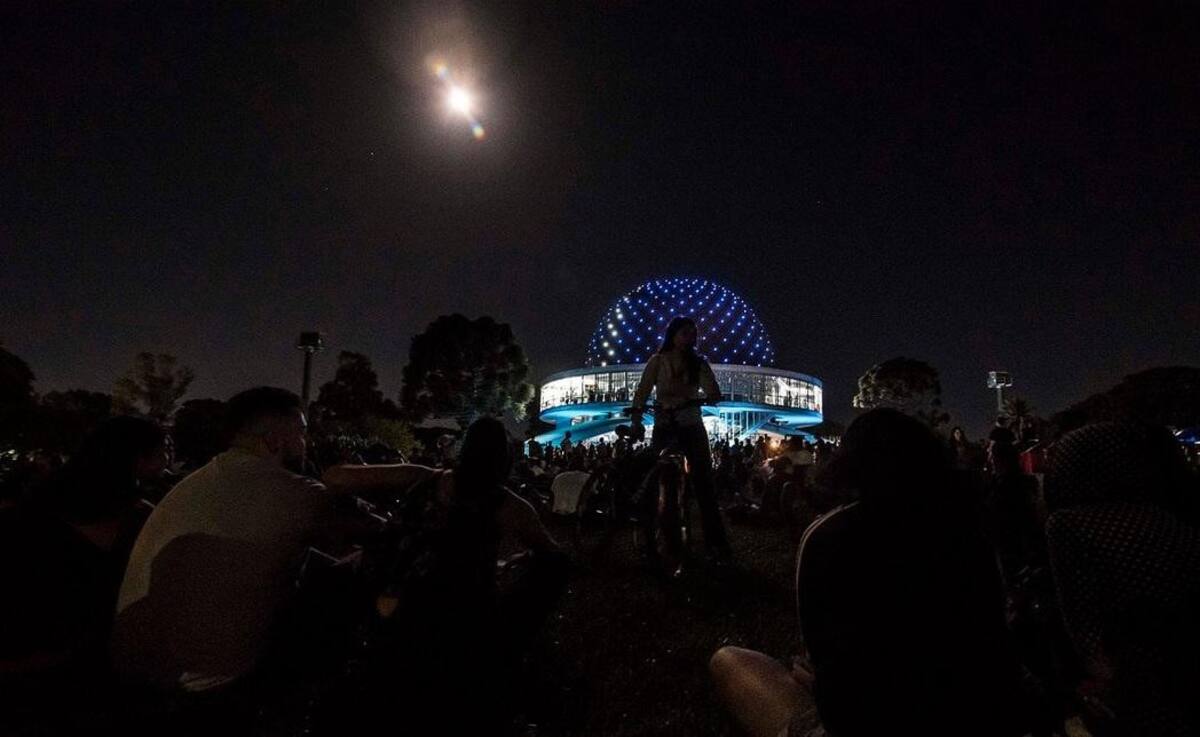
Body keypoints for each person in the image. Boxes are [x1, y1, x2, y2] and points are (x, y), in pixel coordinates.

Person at [711, 409, 1030, 737]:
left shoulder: (830, 536)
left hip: (872, 719)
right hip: (982, 714)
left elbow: (843, 699)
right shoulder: (970, 529)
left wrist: (818, 681)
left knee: (730, 661)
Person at [320, 417, 568, 733]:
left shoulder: (422, 478)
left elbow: (334, 478)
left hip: (392, 598)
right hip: (460, 615)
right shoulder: (511, 507)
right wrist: (522, 559)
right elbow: (555, 555)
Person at [112, 387, 338, 696]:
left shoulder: (205, 480)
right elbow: (366, 527)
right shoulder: (293, 490)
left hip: (133, 663)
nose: (306, 444)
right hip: (201, 685)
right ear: (274, 440)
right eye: (301, 433)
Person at [630, 316, 730, 558]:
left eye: (693, 334)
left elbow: (711, 390)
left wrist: (712, 395)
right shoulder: (657, 361)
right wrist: (636, 417)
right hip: (665, 424)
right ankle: (652, 528)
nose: (690, 338)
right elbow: (642, 390)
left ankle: (715, 542)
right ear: (673, 334)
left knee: (704, 482)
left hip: (690, 424)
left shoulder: (699, 364)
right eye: (685, 333)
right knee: (658, 476)